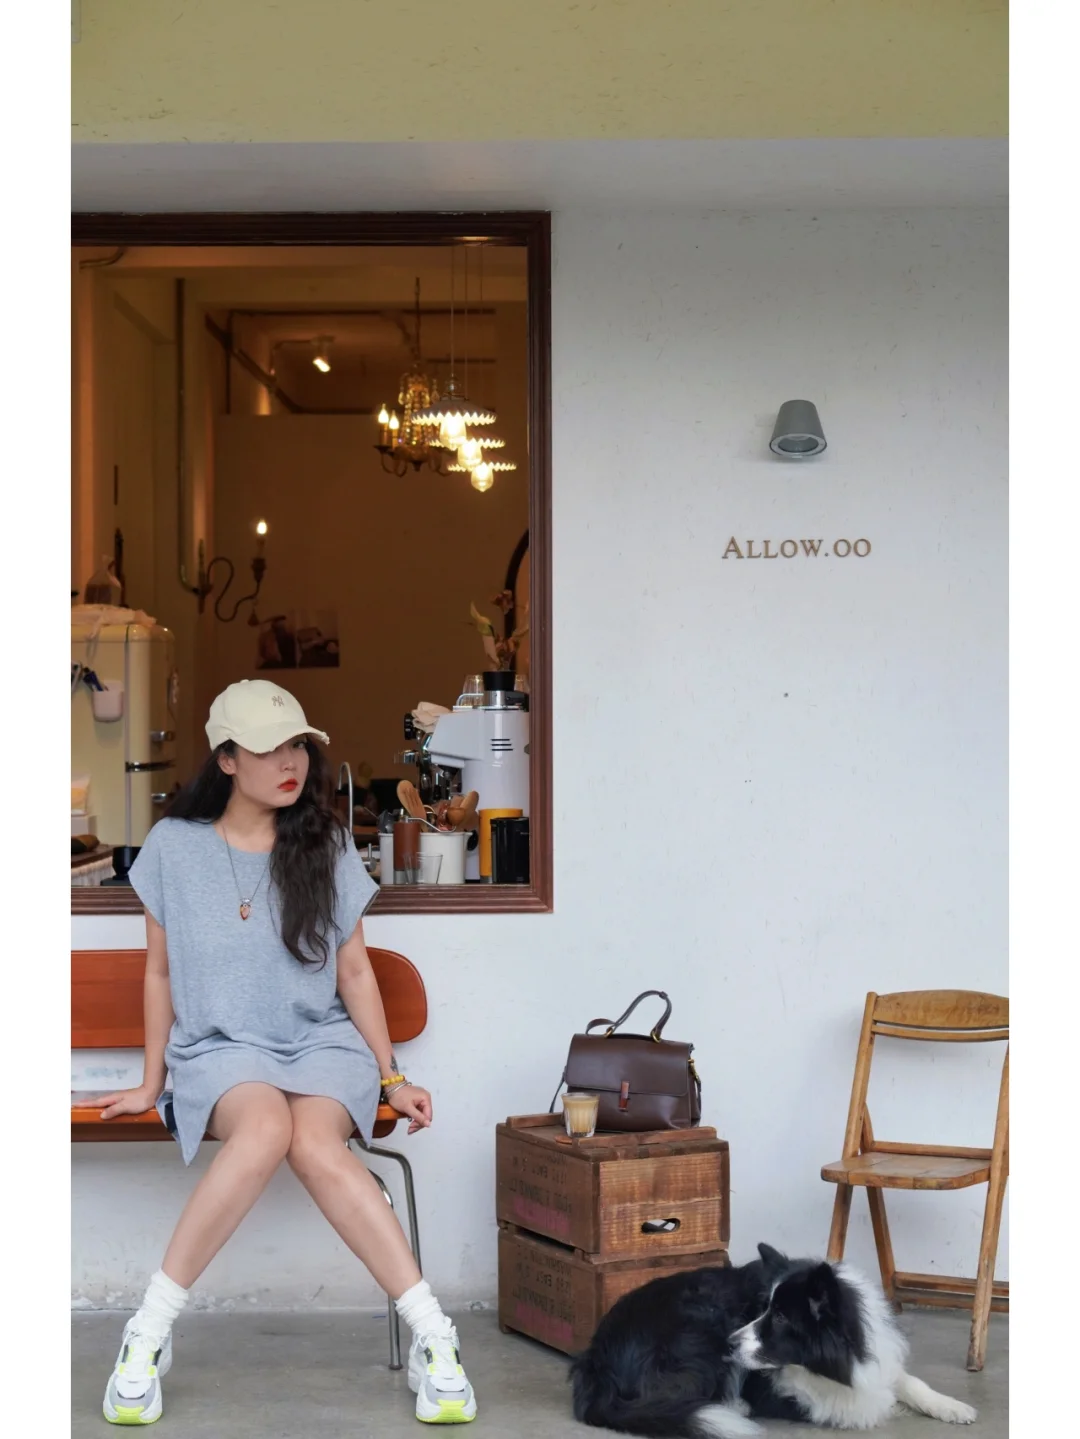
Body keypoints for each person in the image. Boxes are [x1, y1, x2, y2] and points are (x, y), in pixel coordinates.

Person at [95, 679, 476, 1426]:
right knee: (267, 1126)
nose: (290, 761)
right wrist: (149, 1080)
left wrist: (392, 1076)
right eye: (269, 748)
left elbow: (354, 972)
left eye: (298, 744)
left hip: (320, 1043)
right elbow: (160, 973)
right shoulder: (174, 847)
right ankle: (148, 1330)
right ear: (226, 758)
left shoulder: (323, 842)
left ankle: (436, 1336)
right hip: (221, 1048)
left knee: (313, 1141)